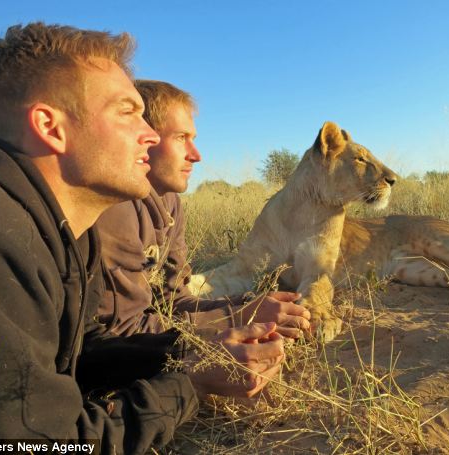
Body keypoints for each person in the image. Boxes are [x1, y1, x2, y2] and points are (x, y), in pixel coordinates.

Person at [0, 22, 284, 452]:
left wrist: (197, 350)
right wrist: (189, 385)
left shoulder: (64, 222)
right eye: (127, 112)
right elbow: (32, 444)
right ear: (50, 127)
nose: (149, 135)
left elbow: (77, 358)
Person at [95, 80, 311, 338]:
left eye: (193, 139)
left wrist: (246, 305)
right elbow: (121, 330)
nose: (196, 155)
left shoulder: (170, 201)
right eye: (180, 138)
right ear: (144, 138)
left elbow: (173, 301)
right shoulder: (115, 207)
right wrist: (236, 319)